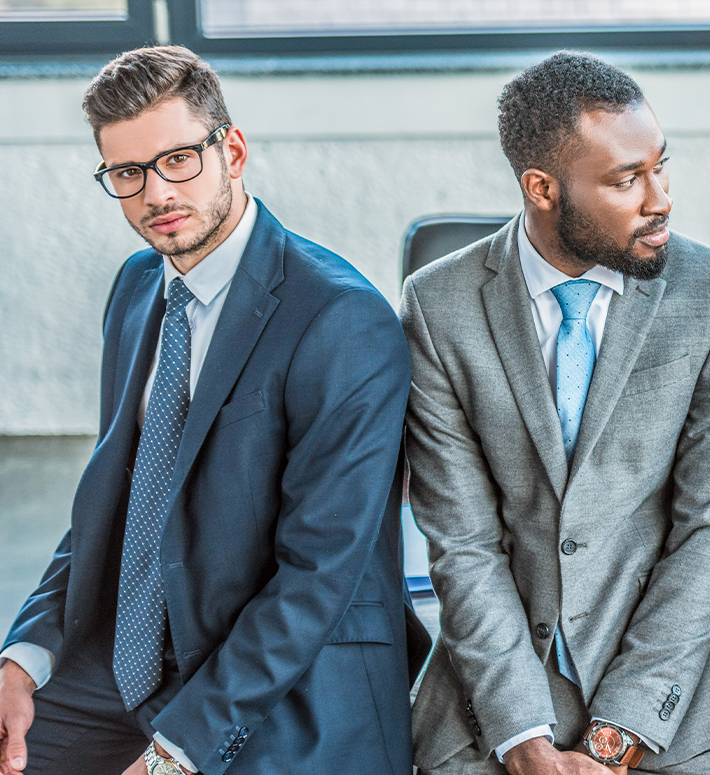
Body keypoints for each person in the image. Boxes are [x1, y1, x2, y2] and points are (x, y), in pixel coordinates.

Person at [0, 46, 425, 775]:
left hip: (288, 680)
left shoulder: (341, 320)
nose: (156, 193)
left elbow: (317, 572)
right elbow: (113, 507)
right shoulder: (137, 288)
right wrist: (24, 656)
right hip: (132, 656)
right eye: (127, 173)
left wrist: (177, 749)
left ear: (231, 149)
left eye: (178, 160)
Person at [402, 51, 710, 775]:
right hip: (499, 693)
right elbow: (463, 543)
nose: (659, 197)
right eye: (625, 180)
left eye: (661, 166)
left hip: (674, 695)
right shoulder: (438, 303)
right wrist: (525, 741)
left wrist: (616, 735)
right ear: (542, 187)